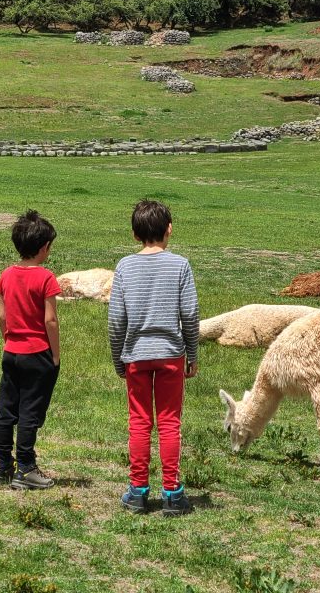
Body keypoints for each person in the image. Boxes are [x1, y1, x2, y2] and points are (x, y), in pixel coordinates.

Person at [109, 199, 199, 515]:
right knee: (169, 422)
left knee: (139, 421)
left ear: (135, 234)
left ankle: (137, 491)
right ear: (169, 229)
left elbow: (116, 319)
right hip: (171, 354)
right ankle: (173, 493)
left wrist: (118, 357)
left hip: (135, 354)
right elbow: (189, 314)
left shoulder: (124, 267)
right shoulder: (180, 266)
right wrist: (192, 352)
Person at [0, 210, 61, 490]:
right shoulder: (46, 278)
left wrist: (8, 339)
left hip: (12, 352)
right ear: (44, 248)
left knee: (6, 410)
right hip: (37, 354)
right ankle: (26, 467)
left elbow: (1, 316)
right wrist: (54, 355)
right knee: (30, 413)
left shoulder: (6, 275)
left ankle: (1, 464)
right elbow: (50, 320)